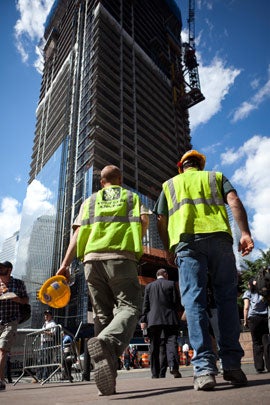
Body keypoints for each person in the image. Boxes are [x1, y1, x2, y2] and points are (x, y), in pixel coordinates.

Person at [153, 150, 254, 391]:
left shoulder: (170, 185)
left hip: (187, 245)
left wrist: (168, 248)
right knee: (227, 301)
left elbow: (160, 218)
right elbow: (234, 201)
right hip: (220, 241)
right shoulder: (216, 177)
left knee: (194, 304)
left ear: (181, 167)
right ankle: (232, 367)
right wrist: (245, 233)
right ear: (200, 164)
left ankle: (204, 370)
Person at [56, 165, 149, 395]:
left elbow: (77, 233)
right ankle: (106, 342)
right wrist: (136, 240)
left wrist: (65, 264)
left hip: (91, 261)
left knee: (102, 315)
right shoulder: (130, 197)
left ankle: (108, 378)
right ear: (120, 179)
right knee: (129, 308)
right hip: (120, 257)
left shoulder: (88, 201)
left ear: (101, 182)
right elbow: (145, 221)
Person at [140, 268, 182, 379]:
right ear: (165, 274)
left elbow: (145, 305)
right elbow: (176, 302)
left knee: (154, 346)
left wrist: (143, 320)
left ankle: (154, 373)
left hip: (153, 320)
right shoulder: (171, 284)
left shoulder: (149, 286)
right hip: (170, 319)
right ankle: (173, 367)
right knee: (171, 342)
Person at [0, 261, 29, 391]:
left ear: (9, 270)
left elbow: (26, 300)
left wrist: (17, 299)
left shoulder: (18, 283)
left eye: (2, 267)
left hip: (11, 320)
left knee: (3, 350)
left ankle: (0, 380)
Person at [243, 278, 269, 373]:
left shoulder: (248, 293)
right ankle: (269, 366)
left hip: (253, 319)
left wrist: (245, 320)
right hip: (265, 318)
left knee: (256, 342)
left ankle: (259, 367)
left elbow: (246, 307)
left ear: (250, 285)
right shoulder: (263, 293)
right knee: (266, 342)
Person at [39, 310, 57, 381]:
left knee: (47, 360)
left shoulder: (53, 323)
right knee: (41, 360)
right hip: (43, 343)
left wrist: (44, 332)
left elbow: (53, 333)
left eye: (47, 315)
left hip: (48, 342)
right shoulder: (44, 323)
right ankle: (40, 376)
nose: (46, 316)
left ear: (51, 316)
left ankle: (45, 377)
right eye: (45, 315)